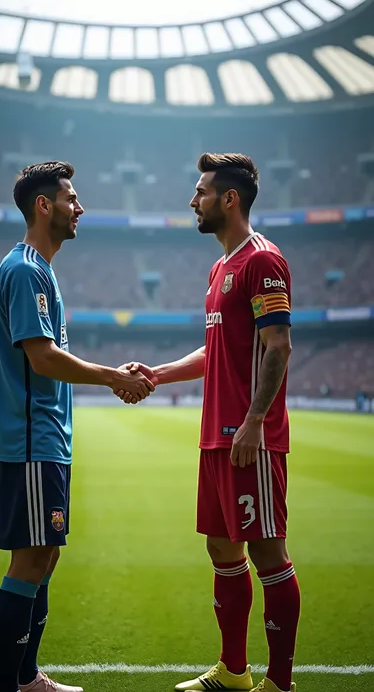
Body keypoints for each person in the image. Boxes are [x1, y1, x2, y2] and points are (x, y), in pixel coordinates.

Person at [122, 153, 299, 692]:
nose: (191, 201)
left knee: (268, 552)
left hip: (251, 440)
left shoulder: (263, 262)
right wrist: (159, 374)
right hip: (215, 439)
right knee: (222, 551)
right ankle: (234, 672)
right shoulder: (220, 268)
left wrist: (253, 422)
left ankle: (281, 682)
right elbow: (216, 349)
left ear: (229, 199)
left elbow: (278, 345)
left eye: (199, 192)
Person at [0, 161, 154, 692]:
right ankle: (6, 687)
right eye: (71, 198)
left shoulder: (42, 270)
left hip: (47, 439)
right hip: (31, 439)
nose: (79, 207)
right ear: (44, 205)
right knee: (30, 560)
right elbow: (43, 358)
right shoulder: (24, 271)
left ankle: (28, 677)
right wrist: (111, 377)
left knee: (46, 554)